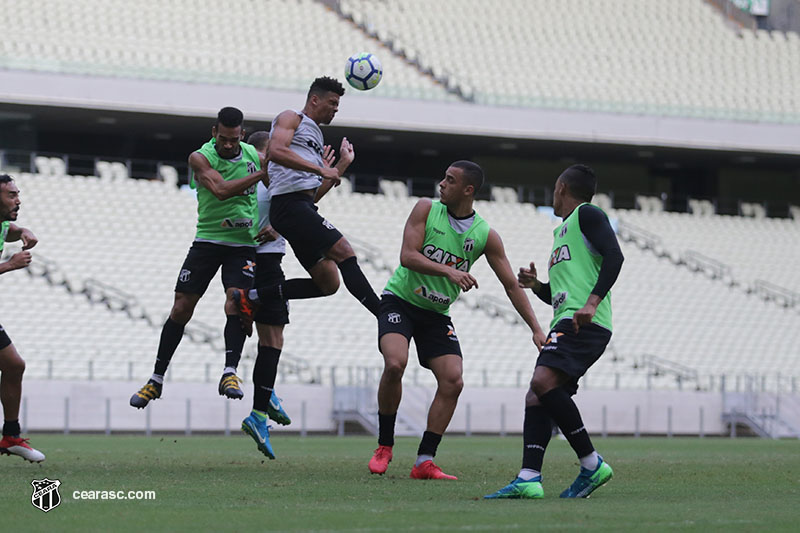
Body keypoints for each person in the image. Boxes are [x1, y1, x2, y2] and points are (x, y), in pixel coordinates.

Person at [368, 161, 547, 480]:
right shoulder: (425, 209)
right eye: (443, 178)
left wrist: (535, 328)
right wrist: (449, 271)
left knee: (453, 380)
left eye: (450, 180)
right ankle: (384, 445)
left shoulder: (484, 235)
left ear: (468, 190)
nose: (441, 184)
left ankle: (425, 460)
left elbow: (510, 284)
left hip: (436, 314)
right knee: (395, 363)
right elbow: (407, 256)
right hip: (400, 300)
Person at [484, 164, 624, 500]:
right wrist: (536, 286)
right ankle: (529, 477)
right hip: (566, 320)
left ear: (561, 187)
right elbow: (559, 293)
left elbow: (615, 257)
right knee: (537, 396)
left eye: (554, 189)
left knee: (542, 383)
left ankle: (591, 463)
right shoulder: (562, 232)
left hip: (583, 323)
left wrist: (591, 304)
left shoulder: (587, 215)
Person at [130, 107, 267, 409]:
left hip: (243, 245)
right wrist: (262, 173)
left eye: (234, 139)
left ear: (241, 135)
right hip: (207, 241)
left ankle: (230, 373)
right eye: (224, 138)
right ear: (214, 132)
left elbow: (279, 189)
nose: (228, 144)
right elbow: (220, 190)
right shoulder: (200, 157)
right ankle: (156, 379)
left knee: (238, 299)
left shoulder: (254, 156)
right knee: (181, 308)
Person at [236, 131, 351, 459]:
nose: (270, 159)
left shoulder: (263, 182)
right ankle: (259, 412)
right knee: (272, 340)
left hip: (258, 260)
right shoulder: (261, 180)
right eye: (267, 153)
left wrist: (338, 167)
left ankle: (265, 394)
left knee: (269, 340)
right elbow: (300, 204)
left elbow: (306, 202)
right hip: (265, 262)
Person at [231, 77, 379, 318]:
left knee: (328, 283)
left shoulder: (315, 136)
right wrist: (320, 169)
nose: (336, 108)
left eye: (338, 104)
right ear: (314, 99)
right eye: (332, 102)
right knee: (345, 251)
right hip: (289, 207)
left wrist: (341, 164)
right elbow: (277, 150)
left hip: (299, 209)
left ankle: (251, 297)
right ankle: (383, 313)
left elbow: (312, 196)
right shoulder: (291, 118)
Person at [0, 175, 45, 462]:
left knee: (14, 366)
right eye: (11, 195)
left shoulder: (2, 224)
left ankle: (11, 436)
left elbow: (10, 230)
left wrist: (25, 231)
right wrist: (8, 265)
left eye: (18, 194)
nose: (18, 200)